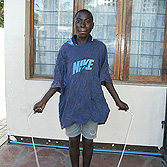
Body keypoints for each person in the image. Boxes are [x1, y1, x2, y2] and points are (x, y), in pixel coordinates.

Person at [33, 9, 129, 167]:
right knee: (73, 142)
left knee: (89, 142)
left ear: (92, 25)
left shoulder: (99, 48)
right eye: (79, 20)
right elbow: (58, 80)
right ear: (74, 24)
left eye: (87, 21)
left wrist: (118, 101)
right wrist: (43, 101)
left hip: (92, 102)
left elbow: (105, 77)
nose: (82, 24)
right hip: (72, 104)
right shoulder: (66, 49)